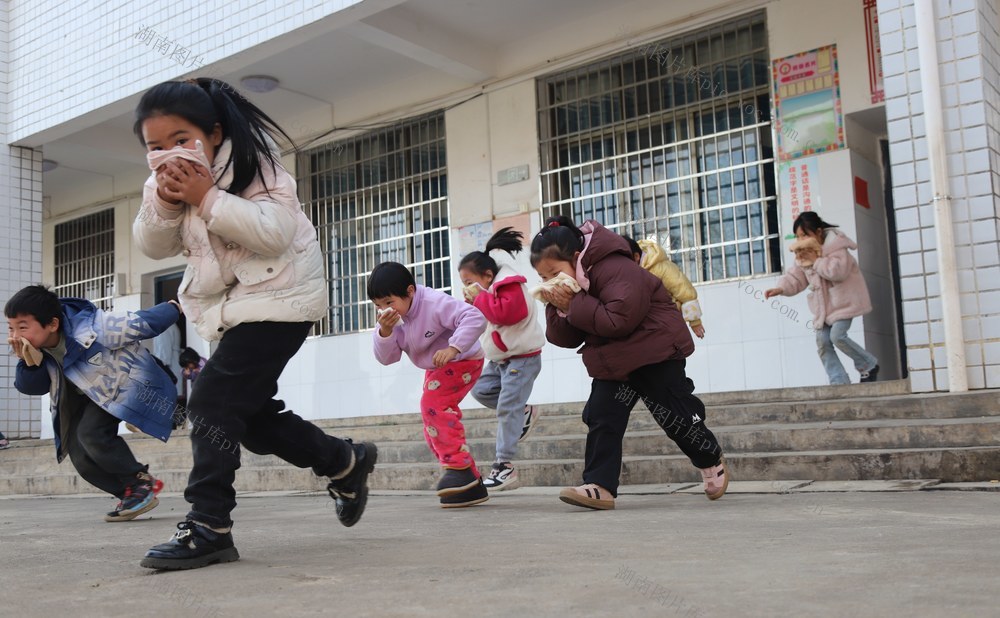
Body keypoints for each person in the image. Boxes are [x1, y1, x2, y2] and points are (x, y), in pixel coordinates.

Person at [132, 78, 376, 570]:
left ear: (214, 133)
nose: (168, 154)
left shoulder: (255, 164)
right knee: (250, 420)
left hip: (283, 299)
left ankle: (209, 525)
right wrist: (166, 202)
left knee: (210, 403)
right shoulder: (161, 183)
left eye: (181, 139)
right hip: (233, 310)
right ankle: (343, 461)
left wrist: (206, 196)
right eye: (155, 147)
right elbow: (152, 246)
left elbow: (274, 233)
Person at [530, 216, 729, 510]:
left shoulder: (614, 266)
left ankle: (709, 457)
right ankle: (599, 485)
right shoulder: (571, 289)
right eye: (543, 277)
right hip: (614, 364)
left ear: (575, 257)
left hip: (655, 353)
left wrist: (573, 304)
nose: (549, 281)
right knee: (602, 417)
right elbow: (567, 338)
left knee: (675, 416)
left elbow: (618, 320)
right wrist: (558, 308)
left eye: (554, 273)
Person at [5, 285, 177, 521]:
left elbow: (141, 322)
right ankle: (131, 494)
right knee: (79, 456)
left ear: (52, 324)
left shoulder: (94, 327)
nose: (15, 336)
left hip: (119, 387)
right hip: (84, 398)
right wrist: (29, 364)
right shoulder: (33, 350)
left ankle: (139, 482)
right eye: (11, 328)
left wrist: (173, 307)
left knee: (91, 433)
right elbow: (32, 387)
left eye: (22, 327)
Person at [368, 261, 489, 508]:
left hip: (463, 359)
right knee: (431, 420)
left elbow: (474, 317)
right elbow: (387, 359)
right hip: (437, 367)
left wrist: (454, 347)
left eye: (389, 302)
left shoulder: (433, 302)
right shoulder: (390, 321)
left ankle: (459, 468)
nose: (384, 310)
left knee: (433, 406)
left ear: (410, 291)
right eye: (378, 305)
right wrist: (385, 333)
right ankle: (470, 481)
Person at [458, 227, 545, 491]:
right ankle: (524, 411)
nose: (467, 288)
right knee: (481, 390)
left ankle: (504, 466)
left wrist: (480, 298)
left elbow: (507, 314)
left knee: (507, 407)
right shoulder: (490, 290)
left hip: (522, 359)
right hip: (502, 360)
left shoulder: (510, 284)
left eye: (469, 282)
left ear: (487, 275)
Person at [765, 211, 879, 385]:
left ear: (818, 232)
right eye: (798, 236)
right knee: (822, 342)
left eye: (805, 235)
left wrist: (816, 261)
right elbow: (796, 277)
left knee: (837, 336)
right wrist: (781, 288)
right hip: (823, 309)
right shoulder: (804, 254)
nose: (801, 240)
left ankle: (868, 364)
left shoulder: (837, 248)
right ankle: (838, 380)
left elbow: (837, 272)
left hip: (844, 303)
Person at [622, 235, 706, 339]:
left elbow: (685, 291)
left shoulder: (661, 268)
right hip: (650, 320)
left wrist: (695, 321)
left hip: (668, 317)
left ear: (636, 257)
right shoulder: (633, 272)